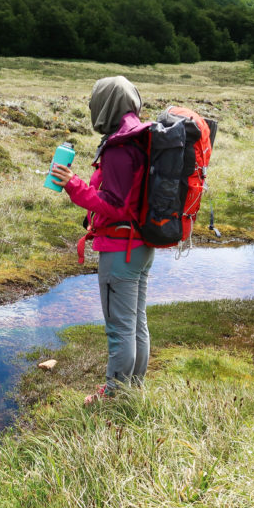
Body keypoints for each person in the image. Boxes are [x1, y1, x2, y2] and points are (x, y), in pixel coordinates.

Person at [49, 76, 154, 405]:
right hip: (140, 244)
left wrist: (73, 184)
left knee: (120, 330)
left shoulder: (120, 146)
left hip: (120, 249)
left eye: (95, 100)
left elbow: (115, 205)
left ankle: (113, 397)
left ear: (106, 105)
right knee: (136, 323)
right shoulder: (139, 136)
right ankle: (130, 392)